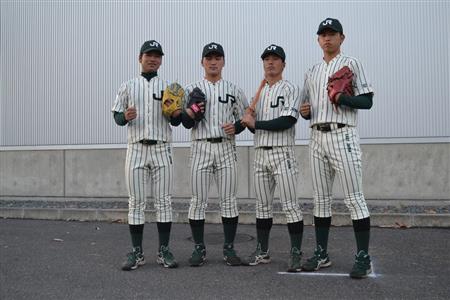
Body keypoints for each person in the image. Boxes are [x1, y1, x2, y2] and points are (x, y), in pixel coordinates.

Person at [299, 18, 375, 278]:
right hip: (317, 137)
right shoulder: (311, 71)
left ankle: (363, 256)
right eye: (323, 34)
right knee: (321, 201)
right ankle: (322, 253)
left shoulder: (351, 64)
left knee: (354, 198)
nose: (327, 38)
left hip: (343, 134)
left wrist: (344, 98)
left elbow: (367, 102)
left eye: (332, 33)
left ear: (342, 38)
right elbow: (306, 108)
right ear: (318, 40)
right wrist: (305, 111)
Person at [112, 40, 182, 271]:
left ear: (161, 60)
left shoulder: (169, 88)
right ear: (140, 57)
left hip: (162, 146)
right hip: (136, 147)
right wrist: (125, 116)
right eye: (148, 55)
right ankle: (137, 252)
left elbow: (176, 120)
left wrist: (176, 113)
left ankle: (163, 251)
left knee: (163, 202)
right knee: (136, 203)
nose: (153, 59)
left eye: (157, 55)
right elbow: (117, 117)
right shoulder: (128, 85)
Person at [181, 42, 248, 267]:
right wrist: (190, 113)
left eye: (217, 57)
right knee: (198, 200)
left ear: (223, 62)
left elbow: (245, 118)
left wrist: (236, 127)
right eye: (208, 58)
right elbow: (184, 122)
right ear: (202, 62)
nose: (213, 61)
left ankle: (229, 248)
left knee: (228, 200)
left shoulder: (234, 89)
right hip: (200, 146)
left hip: (226, 147)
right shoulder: (191, 89)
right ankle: (199, 248)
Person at [240, 44, 304, 272]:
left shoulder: (292, 88)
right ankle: (262, 251)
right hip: (260, 154)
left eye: (275, 59)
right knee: (262, 207)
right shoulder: (259, 93)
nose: (270, 62)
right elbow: (254, 129)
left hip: (282, 153)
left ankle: (296, 253)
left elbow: (288, 121)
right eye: (267, 59)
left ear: (283, 64)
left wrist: (255, 123)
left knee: (290, 206)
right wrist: (248, 122)